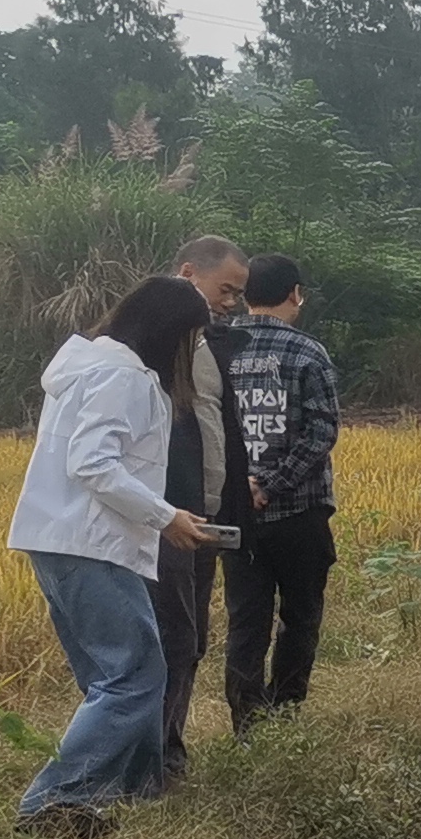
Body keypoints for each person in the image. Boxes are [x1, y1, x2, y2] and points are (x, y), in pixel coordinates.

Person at [8, 278, 222, 830]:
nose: (192, 353)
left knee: (112, 676)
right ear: (171, 334)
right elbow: (94, 464)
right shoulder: (123, 376)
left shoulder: (89, 364)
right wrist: (164, 515)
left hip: (60, 539)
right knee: (135, 676)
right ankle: (52, 802)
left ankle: (131, 792)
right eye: (193, 339)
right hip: (90, 542)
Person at [222, 252, 339, 727]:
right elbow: (321, 431)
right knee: (301, 615)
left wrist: (242, 487)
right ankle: (286, 710)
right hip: (299, 511)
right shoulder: (309, 352)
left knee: (245, 620)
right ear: (295, 294)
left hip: (235, 515)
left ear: (245, 295)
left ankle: (247, 722)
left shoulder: (215, 351)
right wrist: (273, 484)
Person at [155, 233, 251, 783]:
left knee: (191, 639)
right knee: (172, 636)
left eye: (238, 294)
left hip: (203, 514)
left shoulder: (206, 344)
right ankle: (157, 757)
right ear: (189, 273)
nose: (231, 302)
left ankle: (170, 748)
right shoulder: (156, 344)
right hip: (168, 515)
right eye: (225, 290)